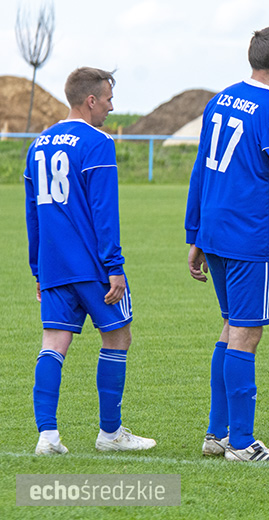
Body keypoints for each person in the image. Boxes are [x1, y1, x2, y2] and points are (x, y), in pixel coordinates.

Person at [185, 27, 269, 463]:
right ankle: (242, 443)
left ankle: (217, 434)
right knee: (246, 333)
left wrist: (195, 234)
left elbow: (201, 170)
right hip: (250, 237)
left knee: (230, 327)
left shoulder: (219, 99)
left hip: (216, 233)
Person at [24, 67, 156, 455]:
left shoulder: (38, 145)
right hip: (93, 266)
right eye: (109, 99)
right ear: (91, 100)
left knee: (53, 343)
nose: (113, 108)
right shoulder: (98, 142)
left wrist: (37, 268)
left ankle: (47, 436)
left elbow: (32, 213)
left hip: (53, 265)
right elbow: (104, 211)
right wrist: (114, 266)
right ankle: (110, 434)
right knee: (118, 336)